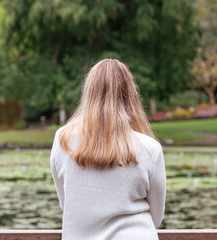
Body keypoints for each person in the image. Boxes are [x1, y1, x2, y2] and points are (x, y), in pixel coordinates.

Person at [50, 59, 166, 240]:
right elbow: (156, 217)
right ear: (131, 94)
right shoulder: (150, 148)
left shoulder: (62, 140)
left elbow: (67, 205)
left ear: (88, 92)